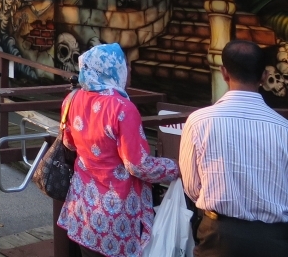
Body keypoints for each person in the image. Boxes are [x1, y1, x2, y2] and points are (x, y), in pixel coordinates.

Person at [57, 43, 179, 257]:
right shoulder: (122, 108)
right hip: (116, 218)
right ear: (112, 68)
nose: (129, 70)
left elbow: (69, 143)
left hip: (84, 210)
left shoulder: (72, 99)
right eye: (126, 65)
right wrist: (175, 168)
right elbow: (138, 165)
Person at [180, 40, 288, 255]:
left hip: (218, 236)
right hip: (274, 240)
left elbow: (192, 186)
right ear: (264, 76)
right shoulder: (284, 128)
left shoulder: (198, 122)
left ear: (224, 73)